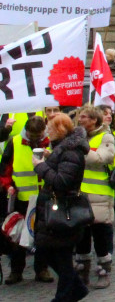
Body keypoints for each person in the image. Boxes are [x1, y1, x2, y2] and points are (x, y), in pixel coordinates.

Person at [33, 113, 90, 302]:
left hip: (64, 210)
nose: (47, 131)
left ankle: (63, 298)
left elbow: (62, 181)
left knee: (63, 257)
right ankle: (78, 289)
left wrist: (41, 167)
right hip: (54, 208)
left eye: (50, 128)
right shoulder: (62, 149)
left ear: (60, 130)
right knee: (48, 252)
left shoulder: (71, 151)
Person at [1, 115, 52, 284]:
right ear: (27, 132)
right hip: (21, 198)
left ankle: (42, 269)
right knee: (18, 236)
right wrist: (7, 185)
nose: (36, 139)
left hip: (44, 196)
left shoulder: (50, 142)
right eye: (32, 136)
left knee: (44, 235)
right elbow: (4, 170)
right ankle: (16, 271)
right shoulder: (15, 142)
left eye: (39, 136)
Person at [74, 105, 115, 289]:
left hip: (100, 193)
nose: (80, 120)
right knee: (81, 235)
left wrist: (83, 148)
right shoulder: (77, 137)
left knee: (101, 234)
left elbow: (101, 159)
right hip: (78, 194)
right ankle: (83, 271)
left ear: (94, 120)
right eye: (79, 117)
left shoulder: (106, 137)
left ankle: (103, 271)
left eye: (84, 117)